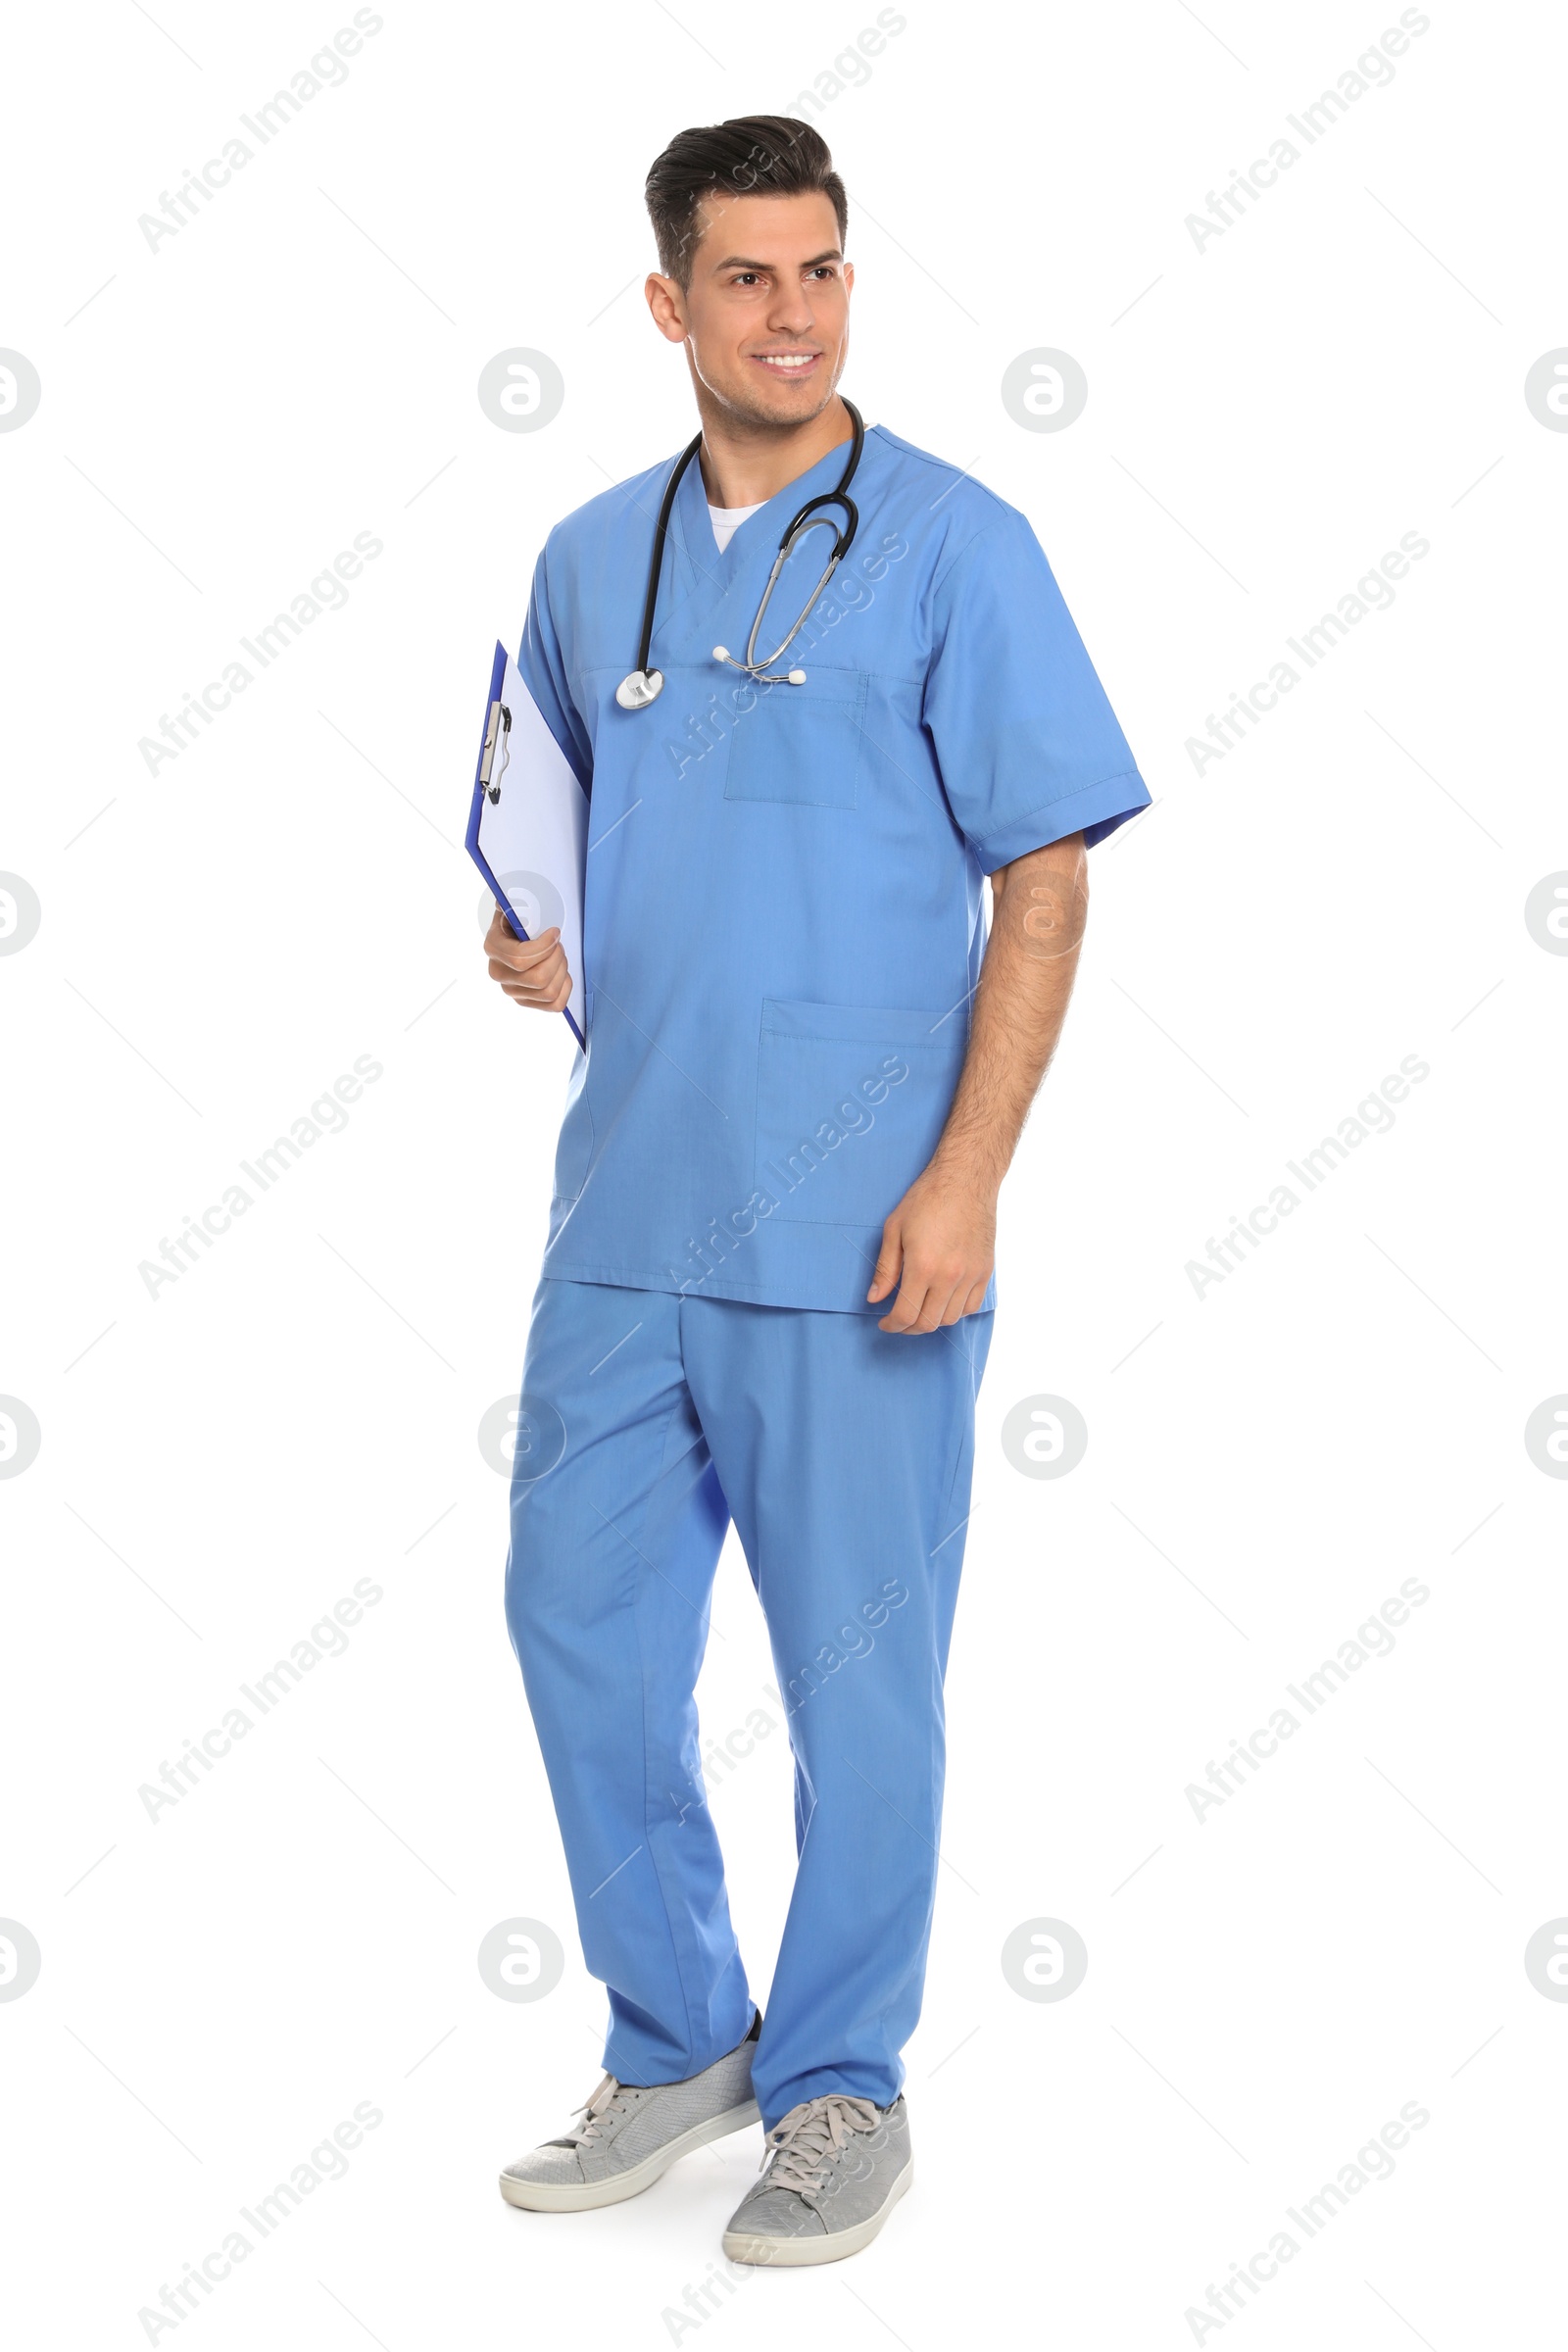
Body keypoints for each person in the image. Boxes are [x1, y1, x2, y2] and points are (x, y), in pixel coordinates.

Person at [484, 114, 1149, 2267]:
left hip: (861, 1233)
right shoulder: (592, 558)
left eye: (824, 271)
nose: (793, 313)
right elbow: (563, 835)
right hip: (623, 1226)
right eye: (749, 278)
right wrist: (528, 941)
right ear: (669, 303)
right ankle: (679, 2029)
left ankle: (839, 2084)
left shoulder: (955, 544)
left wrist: (963, 1179)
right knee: (576, 1635)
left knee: (860, 1681)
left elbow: (1039, 873)